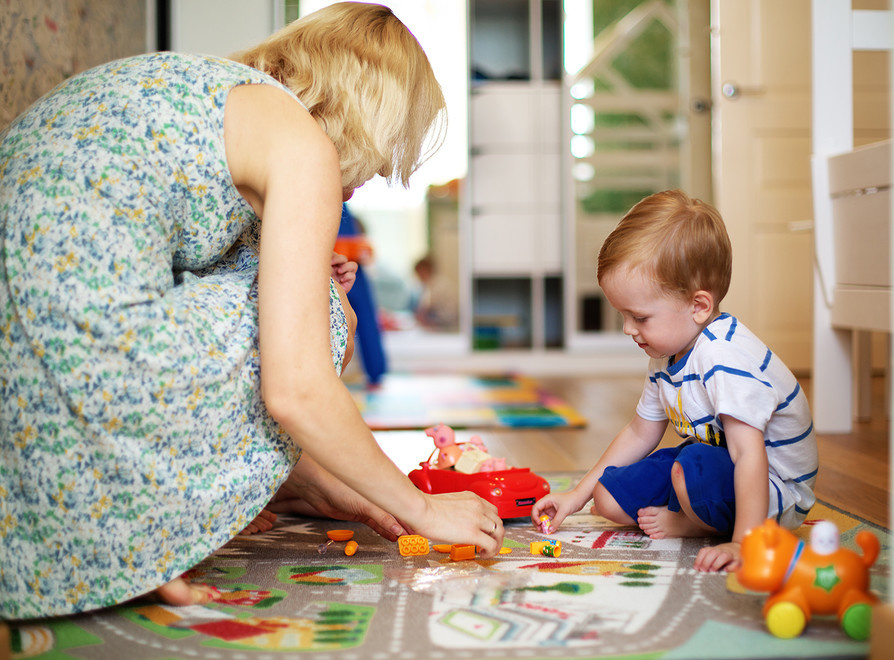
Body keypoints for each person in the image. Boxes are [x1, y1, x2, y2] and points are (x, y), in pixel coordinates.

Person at [0, 2, 504, 620]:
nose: (373, 176)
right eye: (386, 151)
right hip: (76, 353)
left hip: (24, 377)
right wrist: (422, 509)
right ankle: (174, 516)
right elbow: (295, 389)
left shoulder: (214, 90)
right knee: (326, 310)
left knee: (288, 280)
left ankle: (292, 477)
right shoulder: (301, 145)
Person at [531, 190, 817, 573]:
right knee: (608, 499)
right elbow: (639, 433)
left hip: (772, 488)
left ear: (698, 306)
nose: (628, 329)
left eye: (640, 317)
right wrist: (576, 496)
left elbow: (748, 455)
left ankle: (694, 524)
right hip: (710, 464)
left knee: (690, 465)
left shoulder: (724, 357)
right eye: (623, 315)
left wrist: (743, 543)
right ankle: (692, 510)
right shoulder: (665, 354)